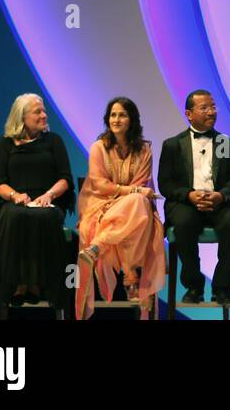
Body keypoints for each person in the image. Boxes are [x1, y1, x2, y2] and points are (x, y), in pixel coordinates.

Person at [75, 97, 166, 319]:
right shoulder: (98, 147)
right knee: (136, 208)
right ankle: (131, 276)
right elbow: (99, 185)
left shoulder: (145, 150)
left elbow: (142, 181)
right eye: (113, 115)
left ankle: (97, 247)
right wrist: (133, 192)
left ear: (132, 119)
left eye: (122, 115)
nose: (116, 119)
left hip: (133, 208)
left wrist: (132, 193)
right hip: (101, 204)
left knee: (137, 206)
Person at [157, 90, 230, 306]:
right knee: (184, 223)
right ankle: (194, 285)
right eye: (204, 108)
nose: (212, 112)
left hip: (219, 203)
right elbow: (166, 183)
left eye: (213, 107)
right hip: (186, 203)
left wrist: (220, 195)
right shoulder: (173, 144)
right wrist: (189, 195)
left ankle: (222, 287)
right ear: (189, 113)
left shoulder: (226, 144)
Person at [0, 93, 74, 309]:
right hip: (16, 202)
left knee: (45, 216)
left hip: (48, 201)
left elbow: (65, 178)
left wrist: (50, 195)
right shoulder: (5, 144)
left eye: (44, 110)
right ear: (22, 116)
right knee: (17, 215)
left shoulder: (53, 141)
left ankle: (38, 284)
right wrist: (15, 196)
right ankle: (18, 284)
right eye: (38, 111)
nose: (44, 115)